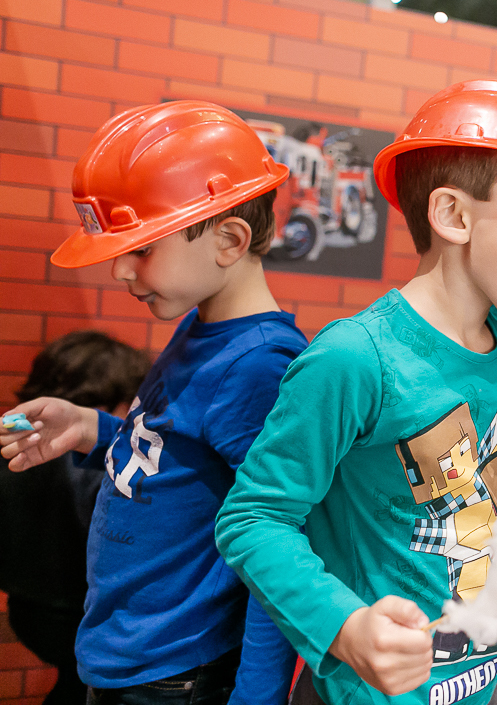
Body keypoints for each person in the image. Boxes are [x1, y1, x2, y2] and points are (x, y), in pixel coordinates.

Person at [214, 80, 497, 705]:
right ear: (454, 217)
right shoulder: (354, 358)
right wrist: (344, 629)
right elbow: (253, 517)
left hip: (485, 671)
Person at [0, 101, 308, 705]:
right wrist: (91, 428)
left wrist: (257, 697)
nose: (120, 271)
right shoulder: (201, 326)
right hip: (126, 656)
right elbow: (178, 457)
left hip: (176, 677)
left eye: (142, 249)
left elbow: (280, 540)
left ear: (229, 240)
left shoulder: (260, 366)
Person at [0, 331, 150, 705]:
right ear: (112, 400)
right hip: (84, 614)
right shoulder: (101, 469)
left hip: (26, 607)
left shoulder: (15, 442)